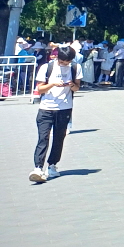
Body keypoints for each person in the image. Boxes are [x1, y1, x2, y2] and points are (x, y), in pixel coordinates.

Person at [30, 46, 81, 182]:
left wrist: (71, 85)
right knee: (43, 137)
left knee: (59, 138)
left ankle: (52, 165)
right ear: (57, 58)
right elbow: (40, 89)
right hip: (46, 108)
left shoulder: (75, 68)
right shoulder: (47, 67)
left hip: (65, 108)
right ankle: (38, 168)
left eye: (67, 62)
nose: (64, 64)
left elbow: (77, 87)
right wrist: (52, 84)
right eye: (62, 62)